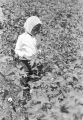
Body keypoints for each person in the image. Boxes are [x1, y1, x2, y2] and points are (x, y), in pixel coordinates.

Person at [14, 16, 43, 86]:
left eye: (38, 29)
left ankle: (32, 87)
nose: (36, 31)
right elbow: (17, 50)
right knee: (26, 74)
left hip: (33, 60)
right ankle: (25, 90)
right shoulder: (22, 37)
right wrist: (23, 55)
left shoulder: (36, 37)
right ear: (29, 27)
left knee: (35, 73)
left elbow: (38, 48)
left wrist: (39, 52)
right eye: (35, 29)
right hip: (24, 60)